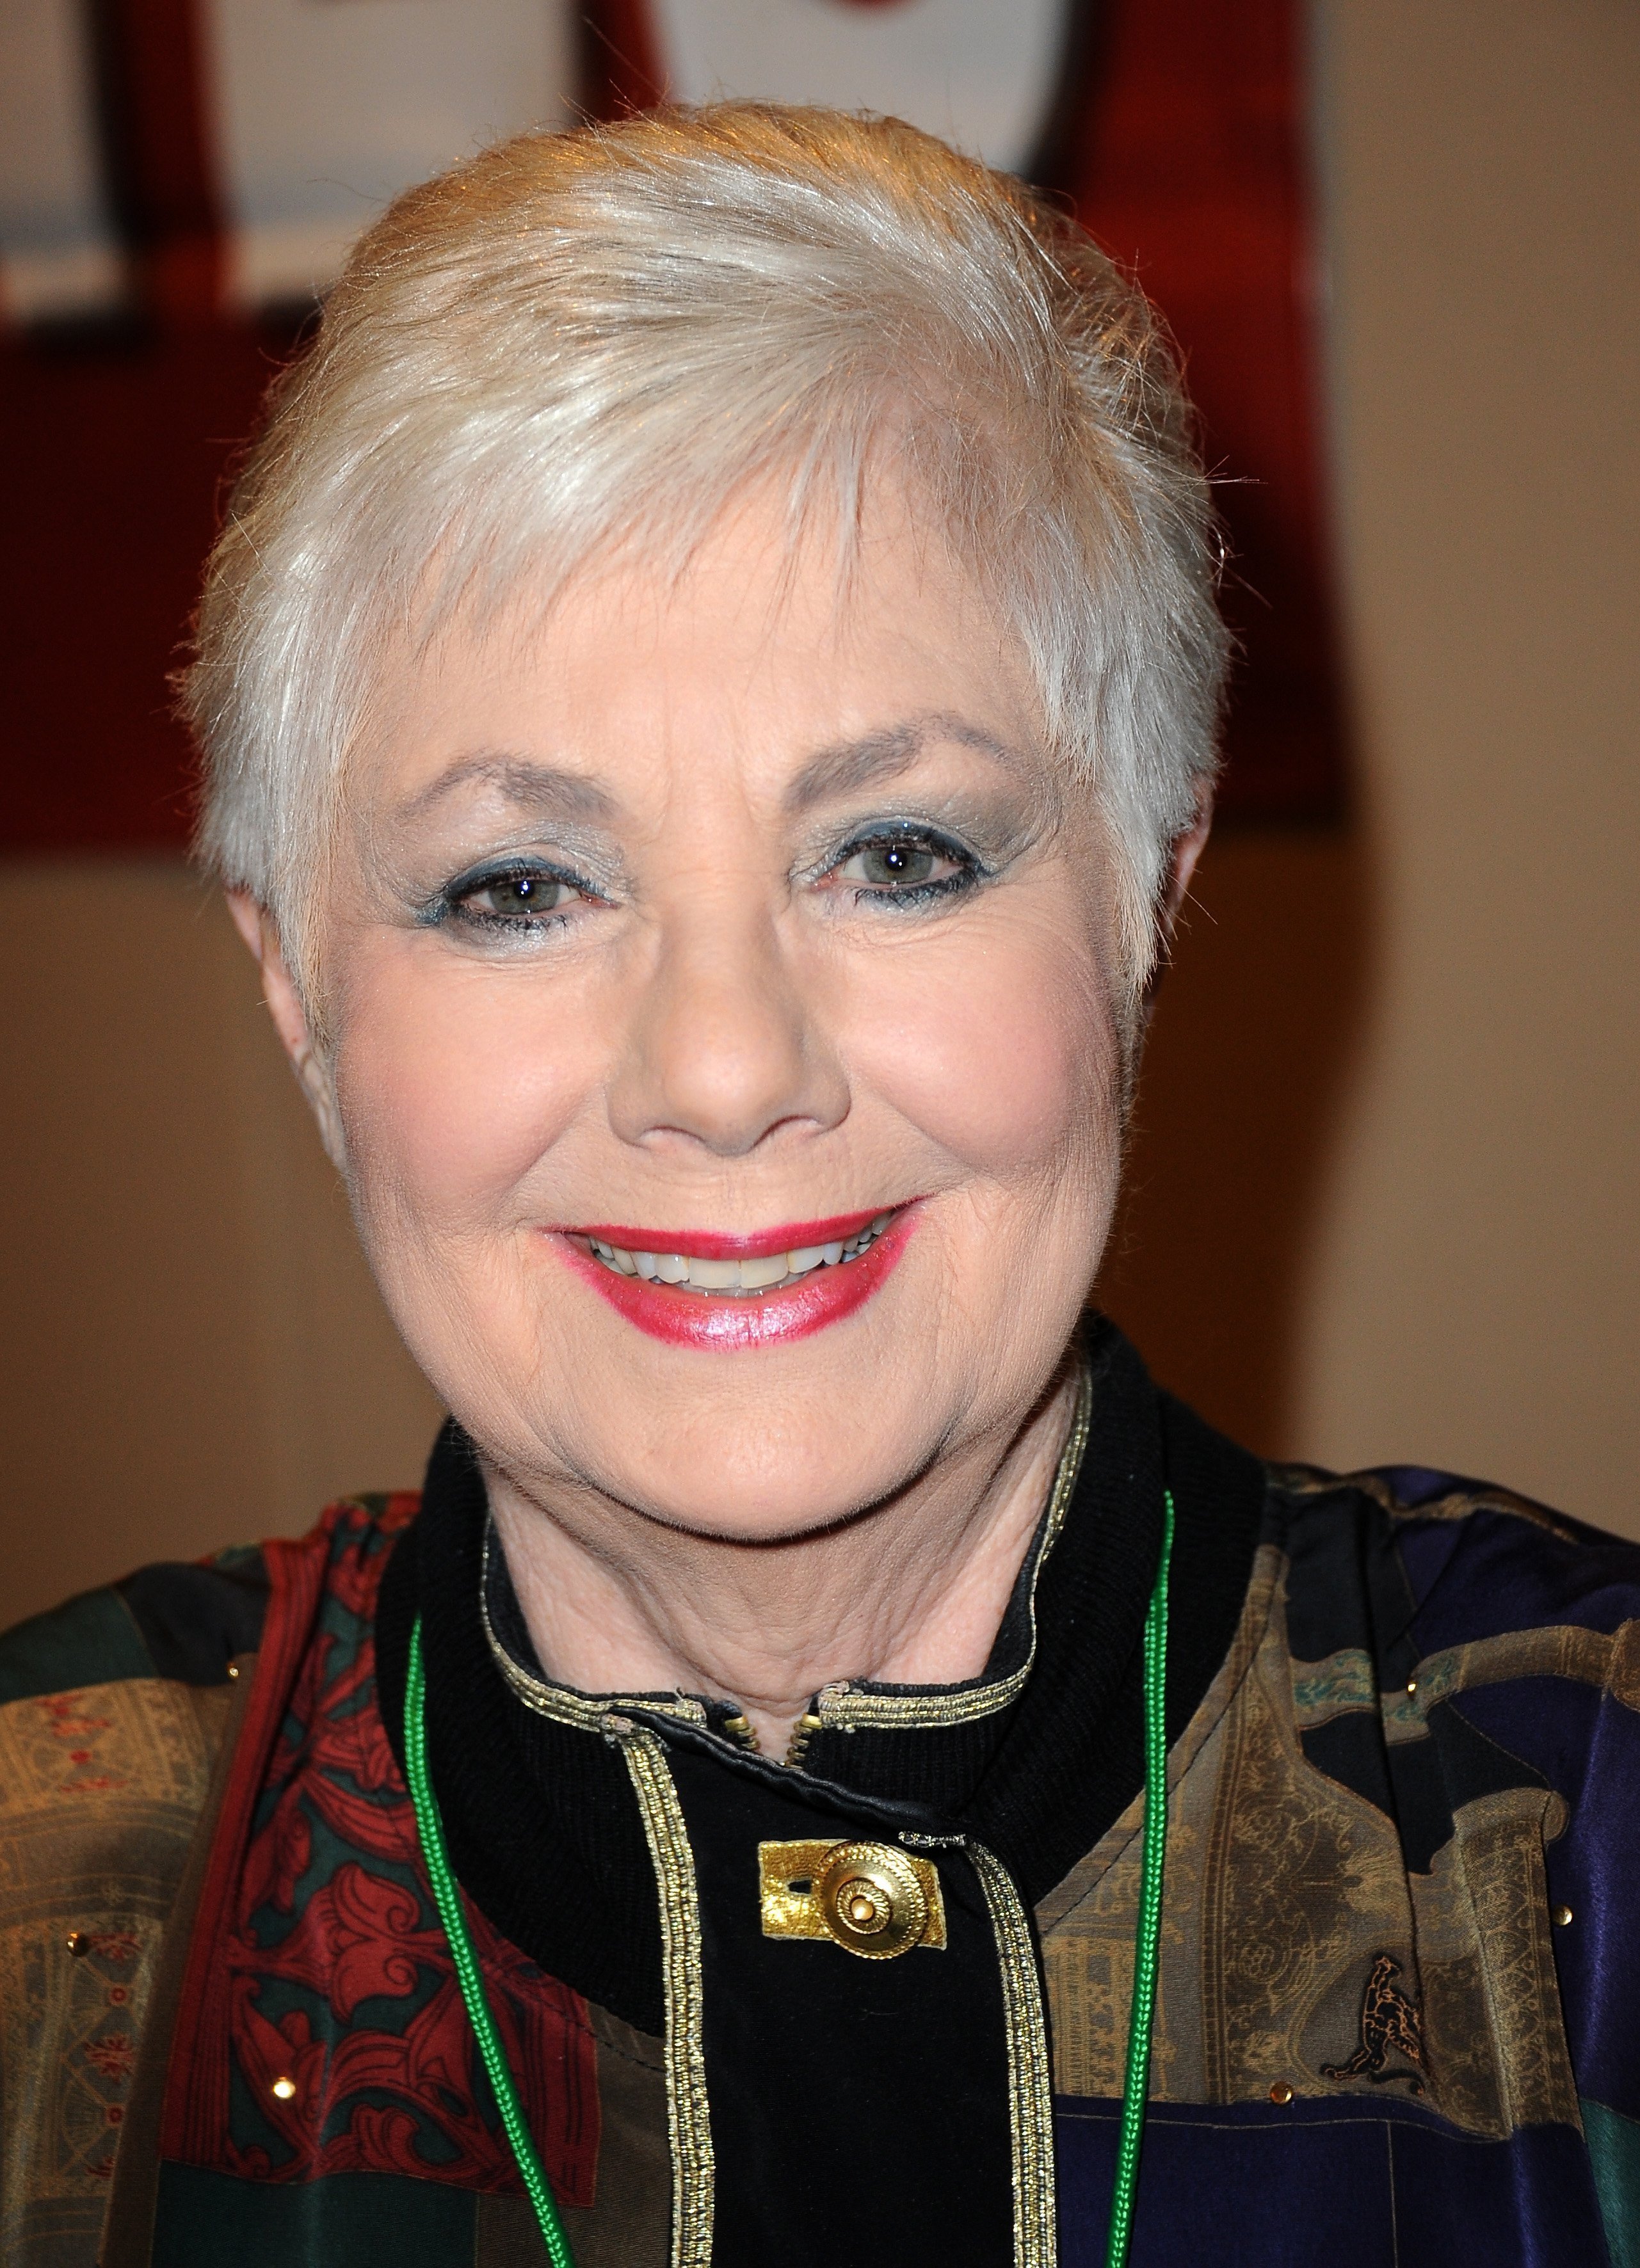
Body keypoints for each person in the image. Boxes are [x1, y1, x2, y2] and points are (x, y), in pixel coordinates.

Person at [2, 104, 1634, 2268]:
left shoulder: (1590, 1822)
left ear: (1147, 899)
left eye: (897, 855)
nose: (724, 1069)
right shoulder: (43, 1881)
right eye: (518, 886)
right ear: (297, 985)